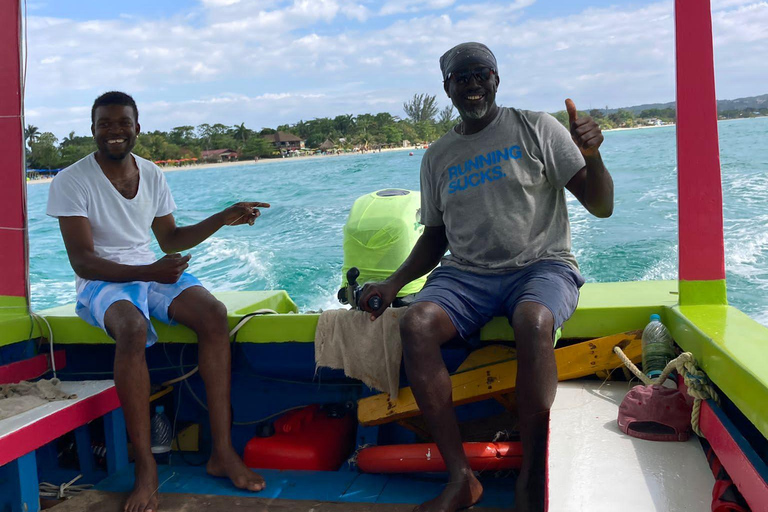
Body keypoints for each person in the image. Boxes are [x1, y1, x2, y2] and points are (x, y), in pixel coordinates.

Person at [360, 43, 613, 512]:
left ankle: (533, 477)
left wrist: (592, 157)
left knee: (534, 320)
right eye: (462, 77)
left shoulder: (538, 128)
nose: (473, 83)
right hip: (467, 275)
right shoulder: (438, 156)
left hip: (542, 264)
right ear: (447, 88)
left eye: (481, 73)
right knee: (416, 324)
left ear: (497, 78)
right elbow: (435, 238)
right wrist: (392, 286)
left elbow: (601, 206)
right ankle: (461, 479)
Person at [46, 91, 269, 512]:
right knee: (131, 328)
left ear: (137, 127)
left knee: (214, 315)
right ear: (93, 129)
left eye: (122, 123)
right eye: (105, 124)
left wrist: (222, 218)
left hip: (147, 269)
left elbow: (169, 239)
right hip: (102, 281)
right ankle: (145, 469)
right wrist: (149, 272)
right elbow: (84, 261)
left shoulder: (151, 174)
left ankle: (222, 453)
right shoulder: (71, 181)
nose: (114, 131)